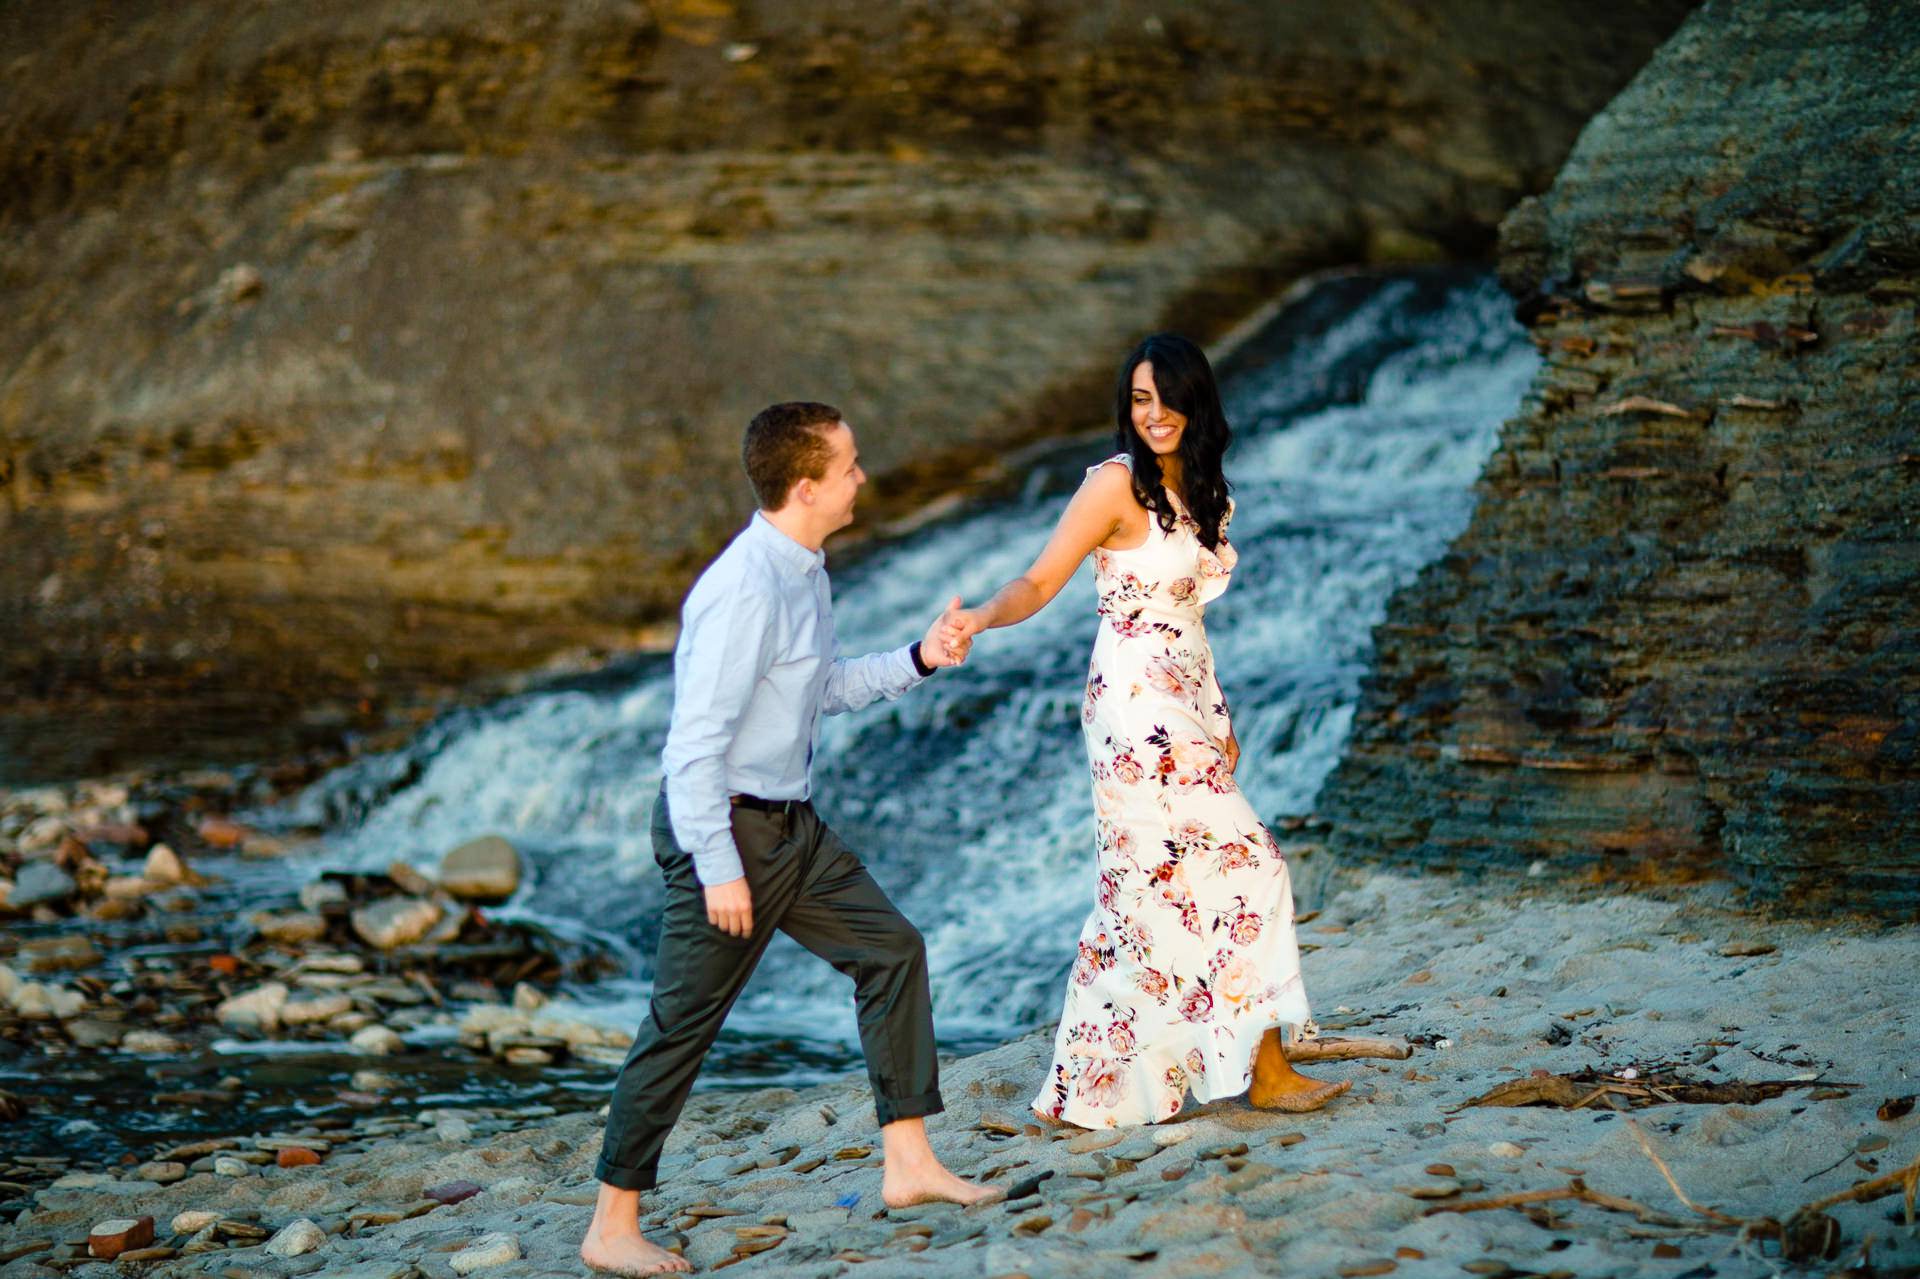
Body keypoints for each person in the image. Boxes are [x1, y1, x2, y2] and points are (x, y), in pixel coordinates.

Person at [581, 402, 998, 1278]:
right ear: (805, 486)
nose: (861, 478)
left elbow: (827, 686)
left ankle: (909, 1163)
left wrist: (920, 656)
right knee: (681, 1023)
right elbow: (692, 745)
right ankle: (611, 1223)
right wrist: (717, 868)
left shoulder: (804, 568)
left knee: (892, 951)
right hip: (724, 830)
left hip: (788, 828)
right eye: (849, 466)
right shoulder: (744, 589)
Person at [942, 335, 1351, 1128]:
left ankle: (1087, 1086)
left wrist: (1217, 712)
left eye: (1165, 397)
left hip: (1185, 697)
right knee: (1252, 864)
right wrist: (982, 618)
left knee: (1148, 888)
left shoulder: (1205, 491)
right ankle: (1266, 1070)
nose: (1153, 413)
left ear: (1195, 400)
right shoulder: (1113, 485)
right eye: (1139, 399)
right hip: (1133, 706)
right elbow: (1039, 578)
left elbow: (1190, 622)